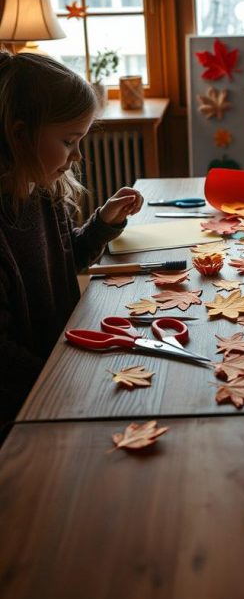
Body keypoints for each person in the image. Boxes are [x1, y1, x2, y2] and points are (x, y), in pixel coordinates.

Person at [0, 51, 143, 431]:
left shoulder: (41, 195)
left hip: (61, 369)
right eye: (68, 141)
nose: (77, 155)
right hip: (25, 407)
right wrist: (65, 380)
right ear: (19, 134)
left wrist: (103, 223)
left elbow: (68, 258)